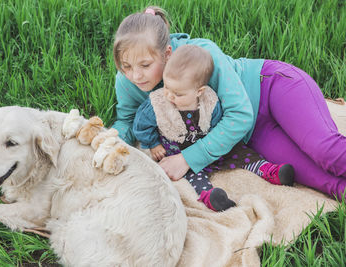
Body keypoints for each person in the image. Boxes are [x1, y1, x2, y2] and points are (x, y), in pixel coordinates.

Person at [112, 6, 346, 200]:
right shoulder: (127, 82)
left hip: (271, 87)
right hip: (252, 133)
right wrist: (109, 143)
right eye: (126, 66)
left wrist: (187, 158)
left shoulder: (202, 54)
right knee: (322, 180)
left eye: (144, 65)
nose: (136, 76)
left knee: (325, 152)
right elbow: (126, 120)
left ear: (168, 53)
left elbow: (240, 114)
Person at [132, 44, 294, 211]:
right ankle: (210, 196)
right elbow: (141, 126)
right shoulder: (157, 104)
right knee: (193, 175)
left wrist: (214, 145)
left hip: (208, 145)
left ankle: (266, 169)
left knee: (240, 152)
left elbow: (218, 125)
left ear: (199, 91)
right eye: (166, 87)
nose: (169, 95)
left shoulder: (210, 103)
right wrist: (153, 144)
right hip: (179, 152)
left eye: (178, 94)